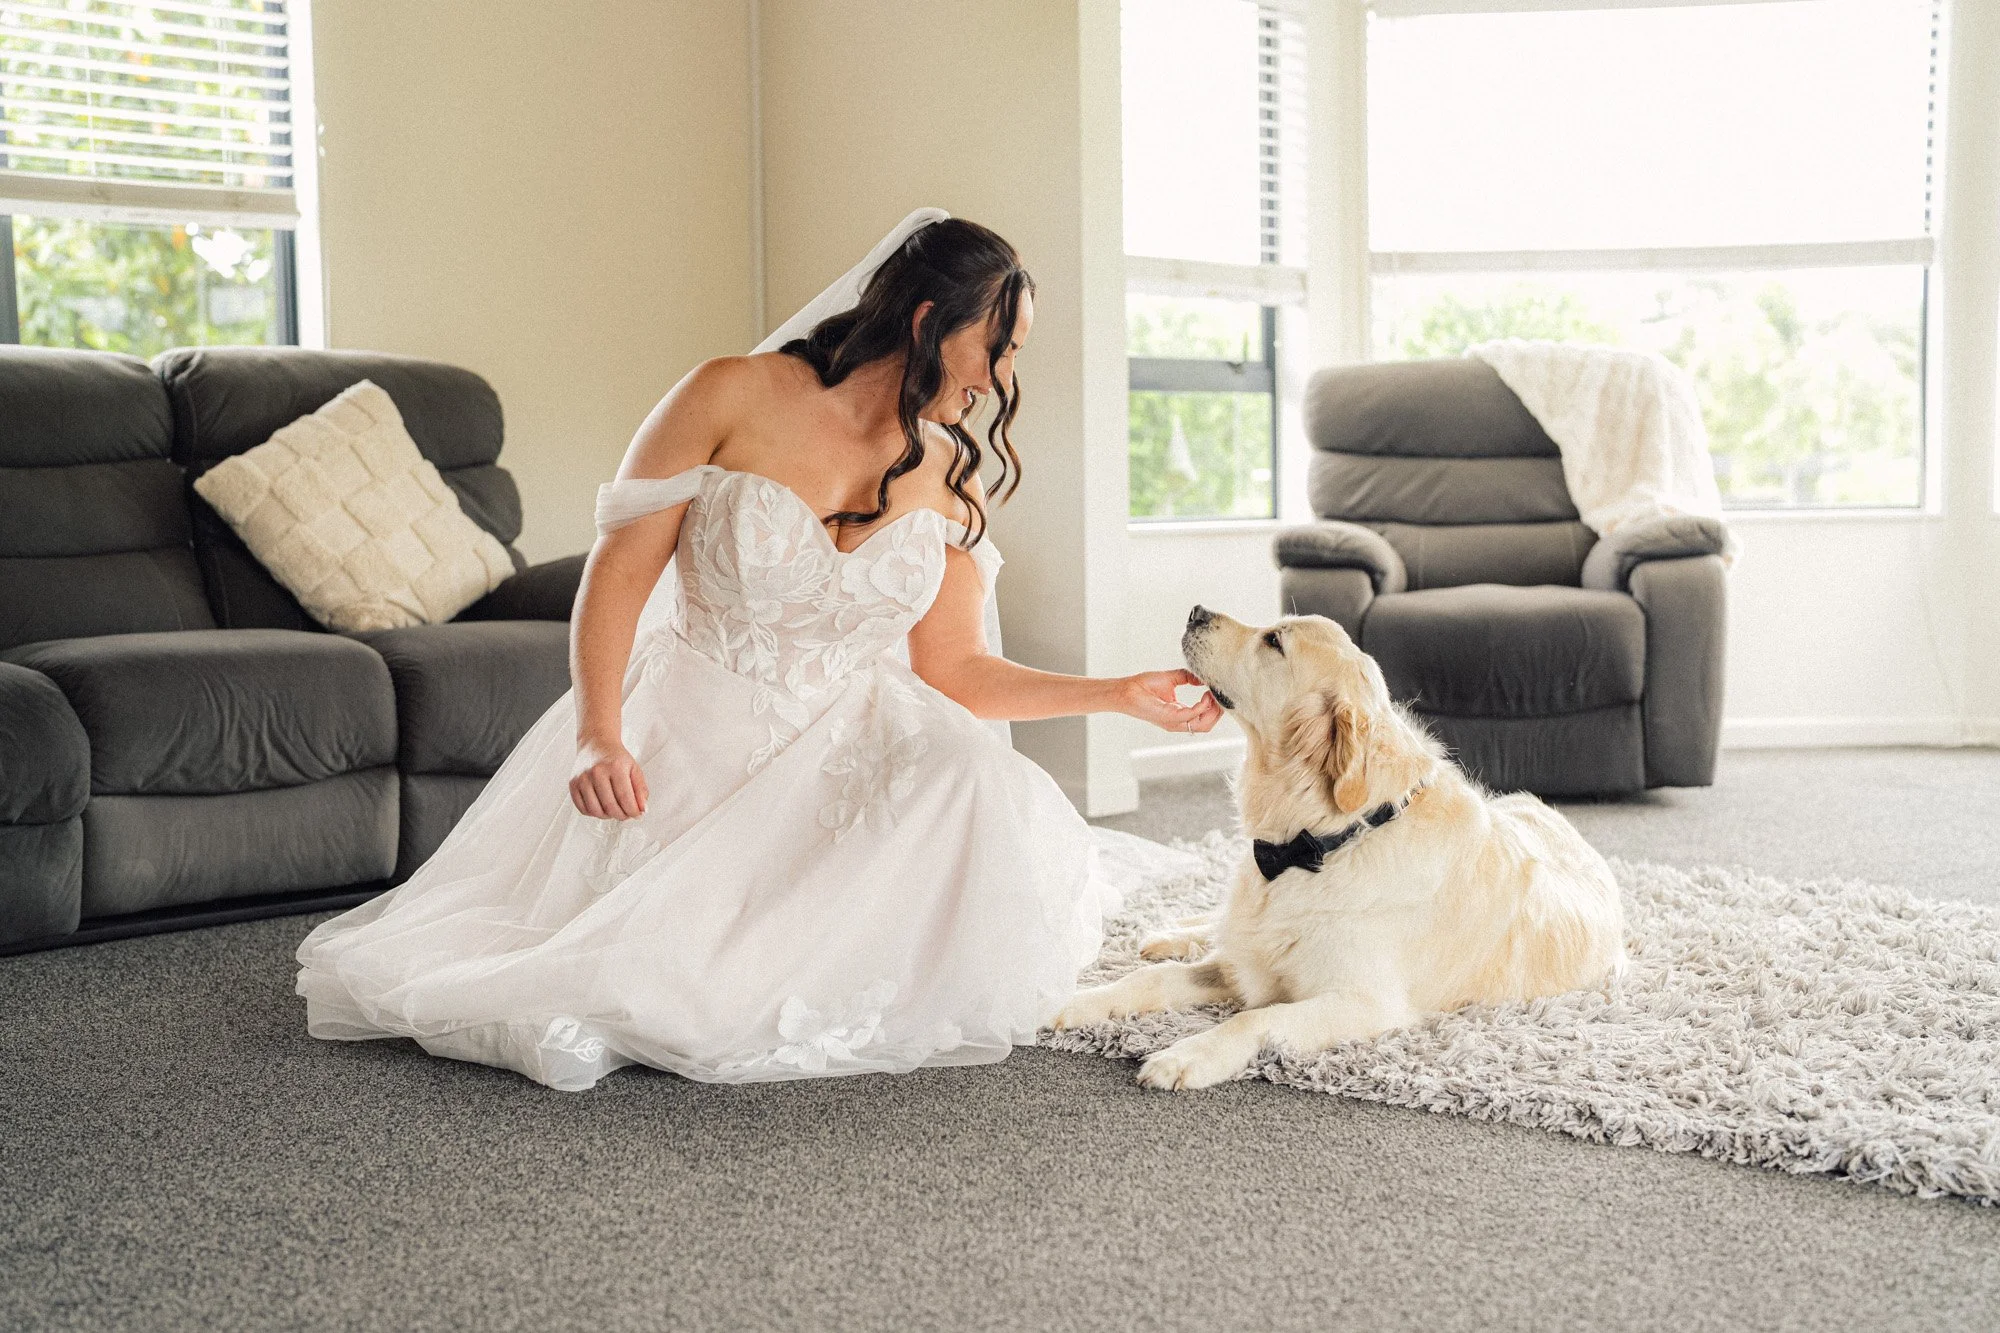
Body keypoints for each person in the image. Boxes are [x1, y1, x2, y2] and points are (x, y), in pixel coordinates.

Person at [295, 209, 1222, 1090]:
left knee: (973, 772)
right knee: (656, 978)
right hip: (700, 724)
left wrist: (1118, 693)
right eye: (999, 346)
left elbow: (955, 671)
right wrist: (598, 733)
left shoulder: (949, 475)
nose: (1003, 377)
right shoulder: (727, 394)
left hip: (851, 737)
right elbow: (618, 575)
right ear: (929, 321)